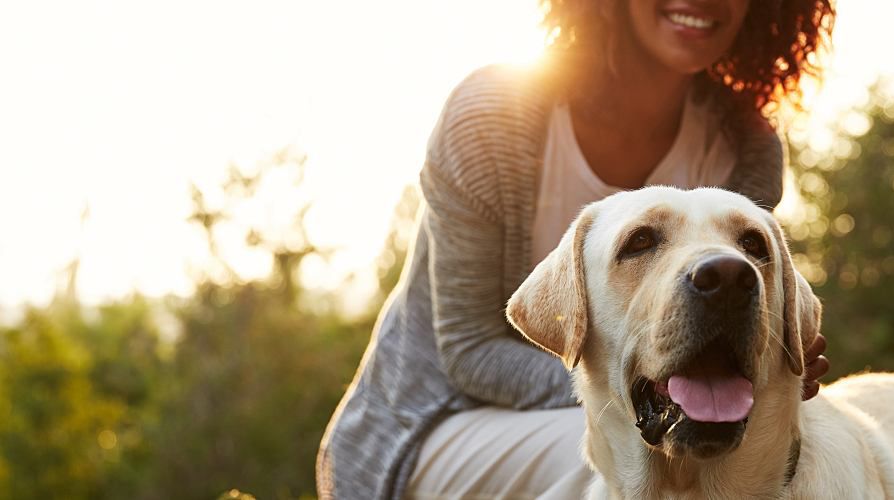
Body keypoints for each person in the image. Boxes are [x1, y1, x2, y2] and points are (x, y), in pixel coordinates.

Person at [318, 0, 834, 498]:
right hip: (434, 422)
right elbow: (469, 351)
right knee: (614, 460)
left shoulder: (748, 145)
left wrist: (766, 351)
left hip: (655, 413)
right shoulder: (492, 115)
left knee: (793, 451)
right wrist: (620, 380)